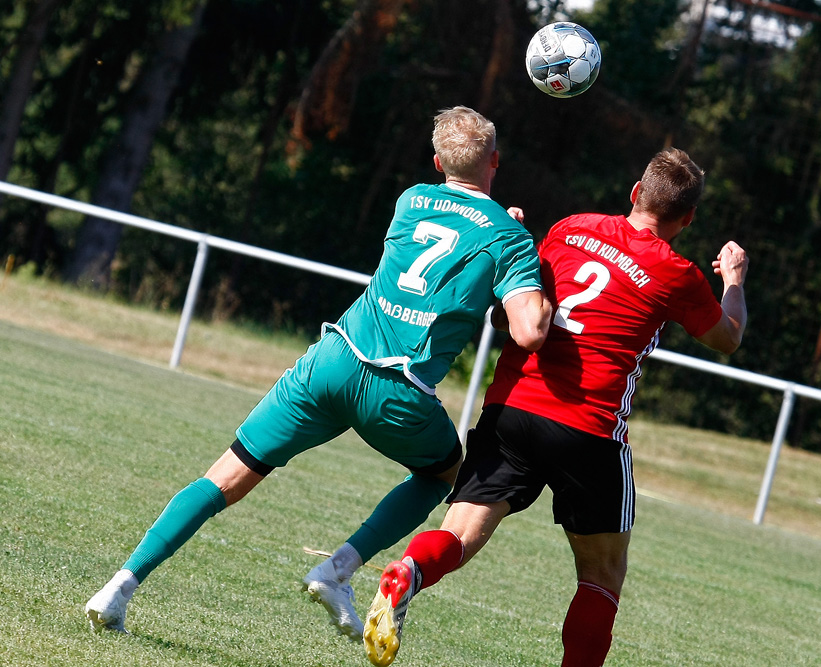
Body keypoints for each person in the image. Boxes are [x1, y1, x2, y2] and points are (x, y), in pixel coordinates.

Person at [85, 105, 553, 640]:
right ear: (496, 160)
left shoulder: (410, 201)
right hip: (397, 395)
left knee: (226, 475)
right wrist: (524, 250)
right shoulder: (506, 234)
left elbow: (449, 233)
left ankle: (119, 586)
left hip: (331, 362)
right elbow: (527, 332)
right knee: (443, 473)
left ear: (437, 161)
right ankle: (337, 571)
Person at [362, 148, 749, 667]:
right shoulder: (676, 273)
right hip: (587, 428)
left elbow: (512, 313)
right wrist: (735, 282)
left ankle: (408, 572)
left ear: (635, 191)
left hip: (512, 409)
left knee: (458, 532)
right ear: (688, 218)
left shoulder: (568, 229)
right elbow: (728, 338)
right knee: (602, 573)